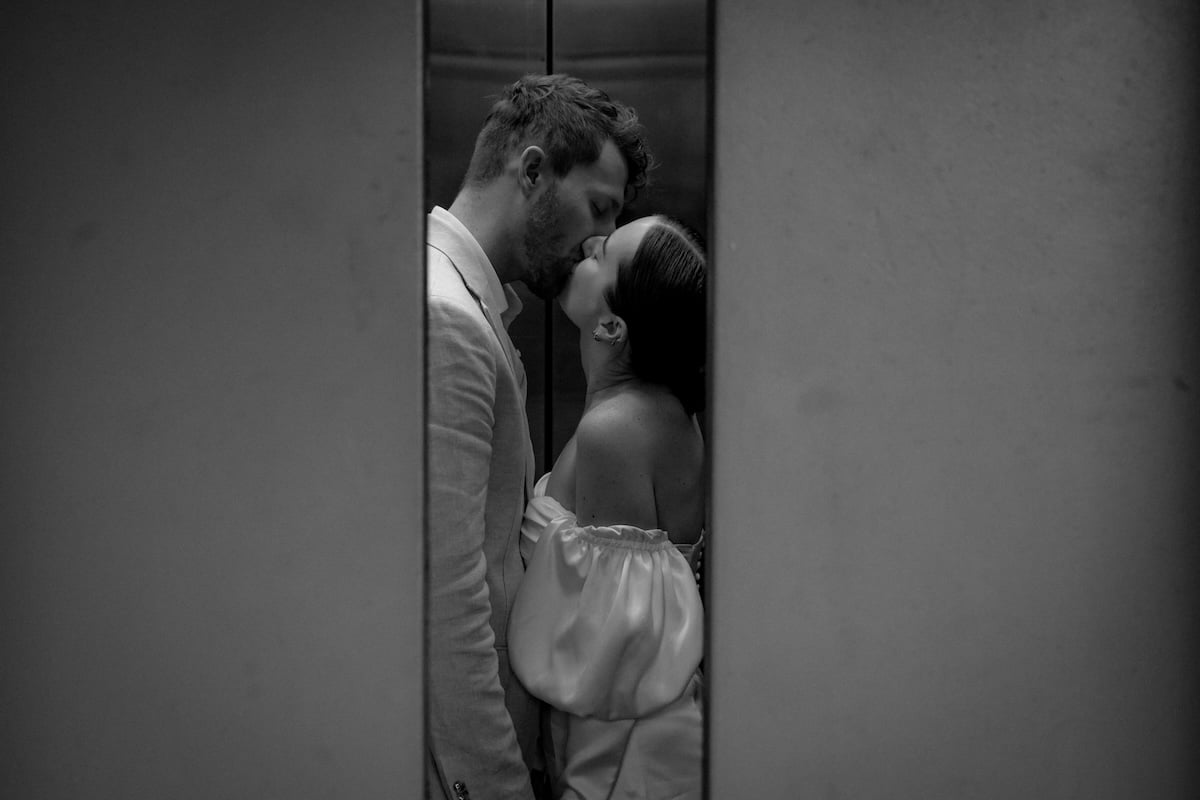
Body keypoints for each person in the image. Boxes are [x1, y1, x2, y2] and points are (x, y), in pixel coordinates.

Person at [425, 73, 652, 800]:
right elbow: (448, 599)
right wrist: (495, 784)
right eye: (599, 207)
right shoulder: (447, 317)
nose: (600, 240)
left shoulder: (474, 306)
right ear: (531, 172)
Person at [509, 216, 707, 800]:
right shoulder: (660, 412)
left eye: (604, 255)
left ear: (612, 325)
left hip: (624, 761)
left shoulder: (614, 431)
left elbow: (607, 661)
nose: (591, 242)